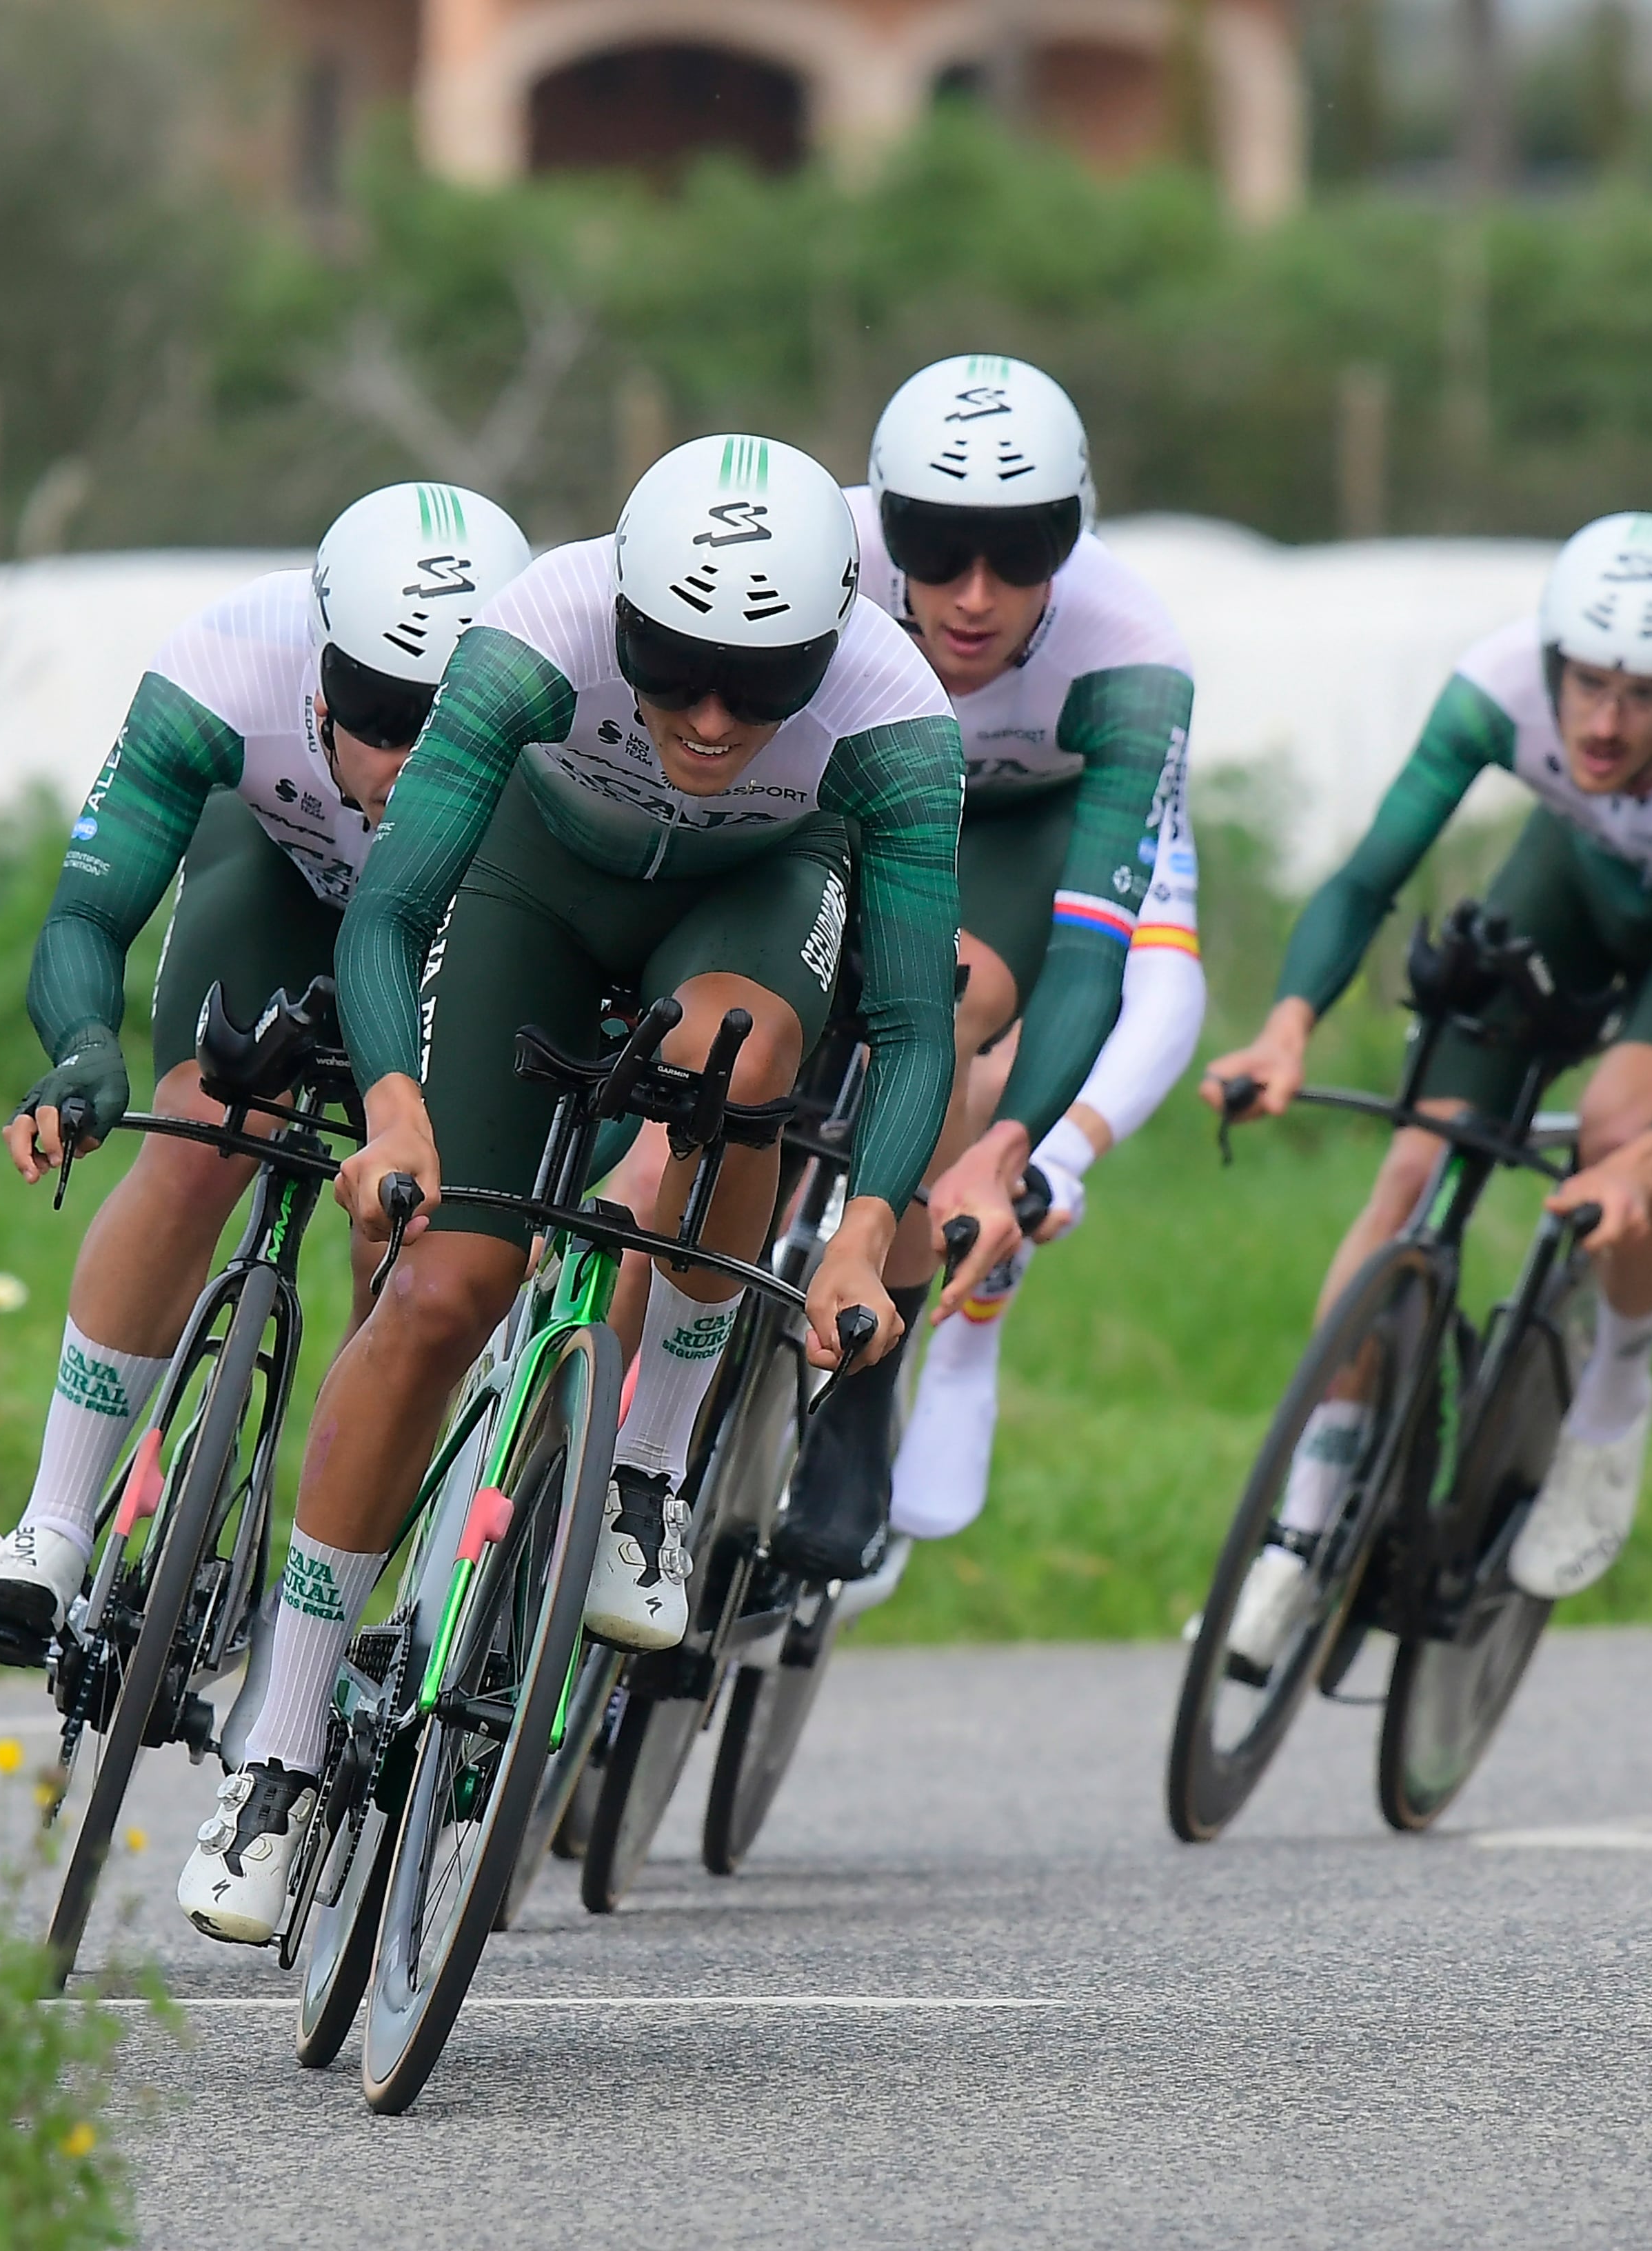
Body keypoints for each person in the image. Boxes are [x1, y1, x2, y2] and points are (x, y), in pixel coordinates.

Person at [170, 435, 969, 1944]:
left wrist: (866, 1231)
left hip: (752, 895)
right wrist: (398, 1111)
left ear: (837, 637)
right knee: (443, 1289)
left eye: (762, 682)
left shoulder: (893, 718)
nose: (715, 718)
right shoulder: (535, 632)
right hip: (535, 887)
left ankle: (646, 1474)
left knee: (738, 1065)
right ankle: (275, 1752)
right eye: (673, 669)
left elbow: (915, 1026)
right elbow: (392, 905)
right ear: (621, 611)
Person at [1201, 512, 1652, 1659]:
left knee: (1616, 1122)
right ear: (1550, 665)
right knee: (1408, 1171)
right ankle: (1304, 1531)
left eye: (1642, 697)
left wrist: (1645, 1161)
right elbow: (1366, 876)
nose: (1603, 721)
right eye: (1586, 685)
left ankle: (1615, 1400)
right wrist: (1286, 1028)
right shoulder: (1492, 686)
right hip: (1575, 878)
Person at [0, 481, 531, 1666]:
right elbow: (87, 910)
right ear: (320, 675)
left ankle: (370, 1567)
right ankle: (55, 1523)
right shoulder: (225, 662)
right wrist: (79, 1049)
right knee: (200, 1123)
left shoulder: (566, 691)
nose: (411, 759)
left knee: (413, 1233)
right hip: (282, 881)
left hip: (461, 926)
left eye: (451, 722)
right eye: (380, 715)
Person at [760, 352, 1196, 1590]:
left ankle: (857, 1406)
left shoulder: (1132, 652)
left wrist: (1014, 1146)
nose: (972, 594)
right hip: (837, 796)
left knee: (938, 1001)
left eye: (1020, 556)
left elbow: (1096, 955)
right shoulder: (817, 558)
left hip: (1009, 832)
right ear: (882, 523)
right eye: (937, 553)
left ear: (1075, 537)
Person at [867, 772, 1208, 1599]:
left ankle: (961, 1329)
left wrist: (1056, 1158)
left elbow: (1163, 982)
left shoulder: (1114, 676)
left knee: (988, 1058)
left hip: (1012, 913)